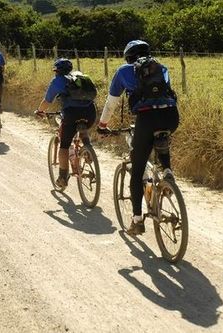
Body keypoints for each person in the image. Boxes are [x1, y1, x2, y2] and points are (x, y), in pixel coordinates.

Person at [97, 40, 179, 236]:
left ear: (128, 56)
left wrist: (102, 126)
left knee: (137, 171)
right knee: (161, 137)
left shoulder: (124, 71)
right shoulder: (161, 67)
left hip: (146, 119)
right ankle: (167, 172)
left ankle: (137, 220)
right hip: (171, 116)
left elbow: (111, 103)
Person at [35, 58, 97, 188]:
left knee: (64, 146)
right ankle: (88, 150)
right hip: (90, 112)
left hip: (71, 115)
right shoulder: (80, 76)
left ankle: (63, 177)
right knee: (83, 128)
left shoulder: (57, 81)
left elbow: (47, 101)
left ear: (57, 71)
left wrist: (40, 111)